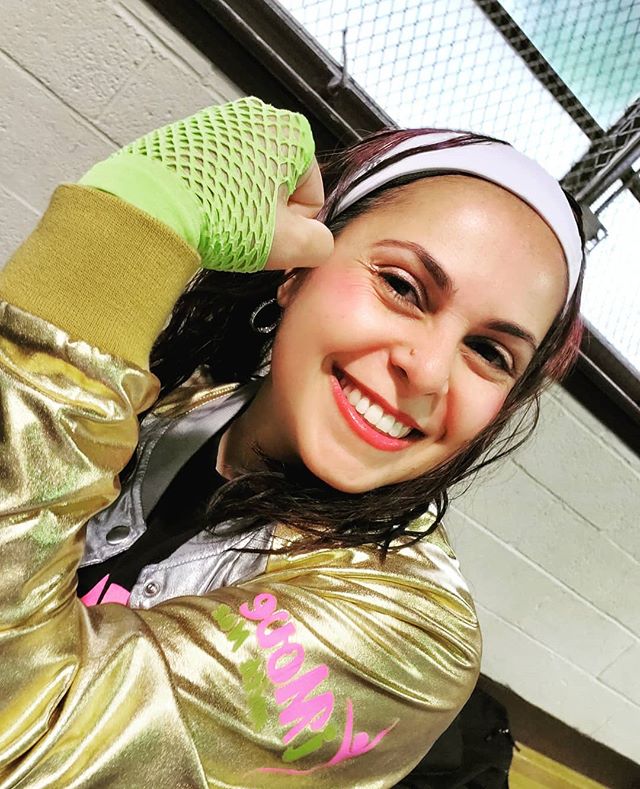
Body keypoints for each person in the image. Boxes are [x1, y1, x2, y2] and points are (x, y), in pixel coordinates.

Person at [0, 97, 584, 788]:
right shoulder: (167, 395)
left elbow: (32, 746)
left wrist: (108, 252)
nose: (428, 371)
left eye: (488, 351)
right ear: (298, 272)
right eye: (402, 286)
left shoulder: (412, 635)